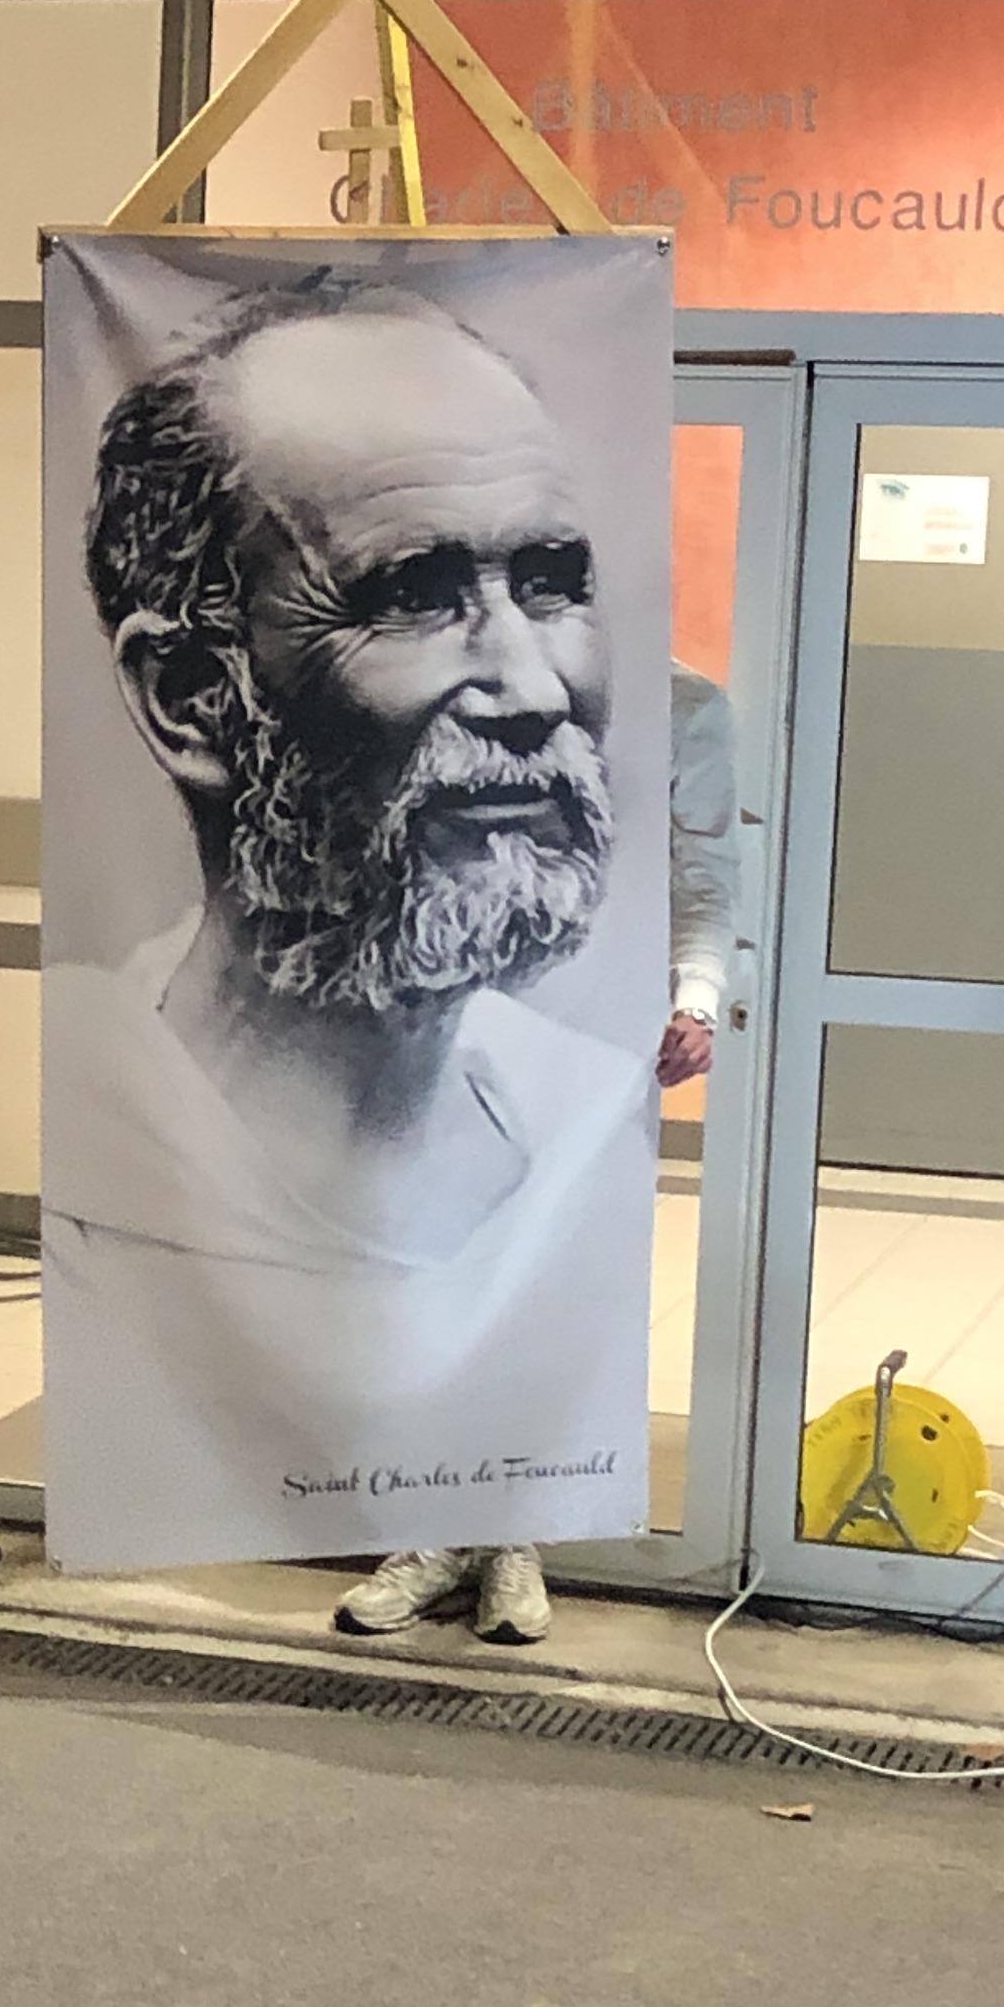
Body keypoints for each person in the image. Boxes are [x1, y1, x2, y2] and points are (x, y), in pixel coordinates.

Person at [48, 274, 653, 1606]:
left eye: (550, 585)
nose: (531, 689)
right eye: (411, 597)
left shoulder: (579, 1118)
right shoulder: (97, 1140)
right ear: (191, 698)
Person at [340, 651, 741, 1643]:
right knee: (434, 1285)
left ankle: (513, 1538)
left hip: (595, 1048)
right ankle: (434, 1533)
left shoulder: (688, 708)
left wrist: (697, 1000)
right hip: (436, 1025)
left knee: (553, 1292)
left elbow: (707, 879)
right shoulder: (468, 678)